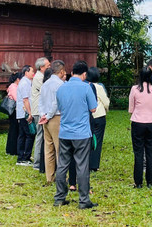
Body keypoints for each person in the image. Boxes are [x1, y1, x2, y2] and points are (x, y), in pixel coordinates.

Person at [53, 61, 98, 210]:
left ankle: (59, 197)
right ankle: (84, 200)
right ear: (84, 74)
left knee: (62, 164)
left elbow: (60, 108)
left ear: (72, 73)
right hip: (82, 133)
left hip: (65, 132)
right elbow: (93, 108)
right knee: (82, 166)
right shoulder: (86, 88)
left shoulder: (61, 88)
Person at [128, 68, 152, 188]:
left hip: (137, 121)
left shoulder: (134, 89)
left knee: (138, 152)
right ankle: (150, 182)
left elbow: (131, 108)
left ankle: (138, 182)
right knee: (151, 152)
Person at [38, 60, 66, 183]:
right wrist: (49, 115)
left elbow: (41, 101)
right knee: (60, 148)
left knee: (48, 149)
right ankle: (62, 177)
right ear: (61, 71)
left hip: (45, 118)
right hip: (55, 117)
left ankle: (50, 177)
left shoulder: (45, 84)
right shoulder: (60, 85)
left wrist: (42, 115)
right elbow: (56, 103)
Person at [30, 56, 50, 172]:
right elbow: (45, 91)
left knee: (42, 136)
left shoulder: (41, 76)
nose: (49, 67)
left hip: (40, 109)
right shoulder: (38, 77)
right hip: (38, 111)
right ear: (42, 67)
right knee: (40, 136)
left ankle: (40, 161)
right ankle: (37, 163)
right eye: (48, 66)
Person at [88, 66, 110, 172]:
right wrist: (106, 109)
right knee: (98, 140)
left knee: (88, 140)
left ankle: (86, 162)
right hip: (99, 116)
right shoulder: (99, 87)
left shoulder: (85, 86)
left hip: (88, 117)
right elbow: (106, 102)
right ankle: (94, 164)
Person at [15, 65, 34, 165]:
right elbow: (25, 99)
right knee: (29, 135)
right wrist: (30, 113)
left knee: (22, 135)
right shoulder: (25, 83)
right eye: (31, 71)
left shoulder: (26, 82)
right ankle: (24, 157)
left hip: (22, 112)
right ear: (26, 72)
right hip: (25, 112)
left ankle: (22, 156)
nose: (33, 73)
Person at [5, 72, 20, 156]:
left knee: (15, 129)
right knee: (14, 129)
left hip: (15, 110)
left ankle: (13, 148)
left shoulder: (15, 86)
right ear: (17, 79)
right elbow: (16, 98)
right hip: (14, 110)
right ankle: (11, 149)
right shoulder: (13, 86)